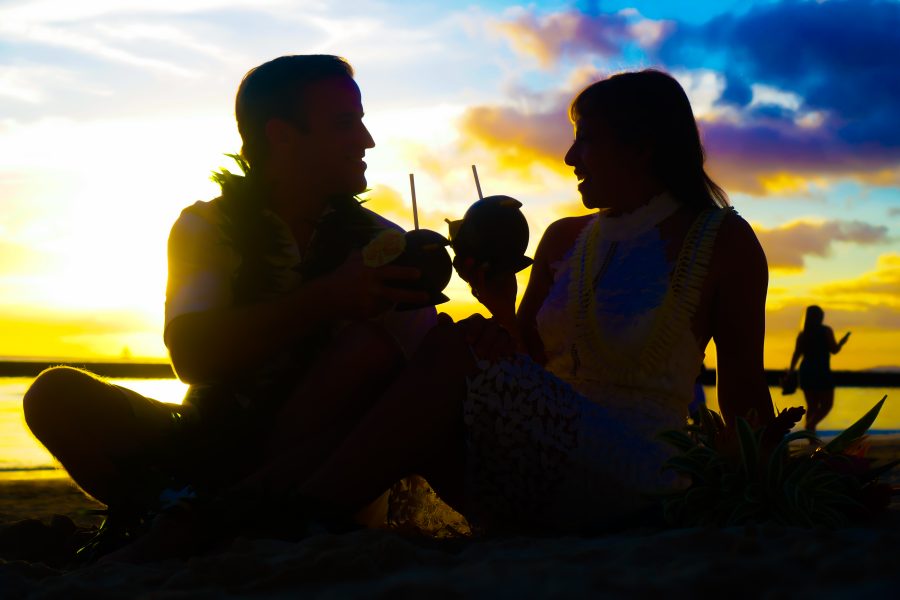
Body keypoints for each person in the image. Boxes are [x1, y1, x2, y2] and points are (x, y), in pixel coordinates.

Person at [281, 69, 776, 534]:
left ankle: (300, 515)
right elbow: (531, 366)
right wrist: (499, 304)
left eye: (586, 138)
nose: (570, 157)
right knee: (426, 357)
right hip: (538, 456)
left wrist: (764, 500)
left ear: (641, 147)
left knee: (452, 347)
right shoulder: (563, 239)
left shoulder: (722, 241)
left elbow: (744, 394)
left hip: (640, 472)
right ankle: (264, 498)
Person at [21, 55, 439, 556]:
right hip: (207, 441)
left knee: (369, 354)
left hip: (321, 464)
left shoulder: (382, 244)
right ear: (282, 136)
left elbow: (419, 388)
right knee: (53, 395)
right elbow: (192, 359)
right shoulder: (209, 226)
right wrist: (326, 298)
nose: (367, 140)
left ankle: (200, 518)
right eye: (346, 123)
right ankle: (170, 507)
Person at [786, 305, 850, 434]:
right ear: (820, 317)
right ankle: (810, 426)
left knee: (812, 406)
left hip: (806, 372)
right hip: (821, 371)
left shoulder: (803, 334)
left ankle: (810, 435)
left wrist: (790, 372)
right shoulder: (825, 330)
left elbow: (796, 354)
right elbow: (834, 350)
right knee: (827, 405)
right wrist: (842, 343)